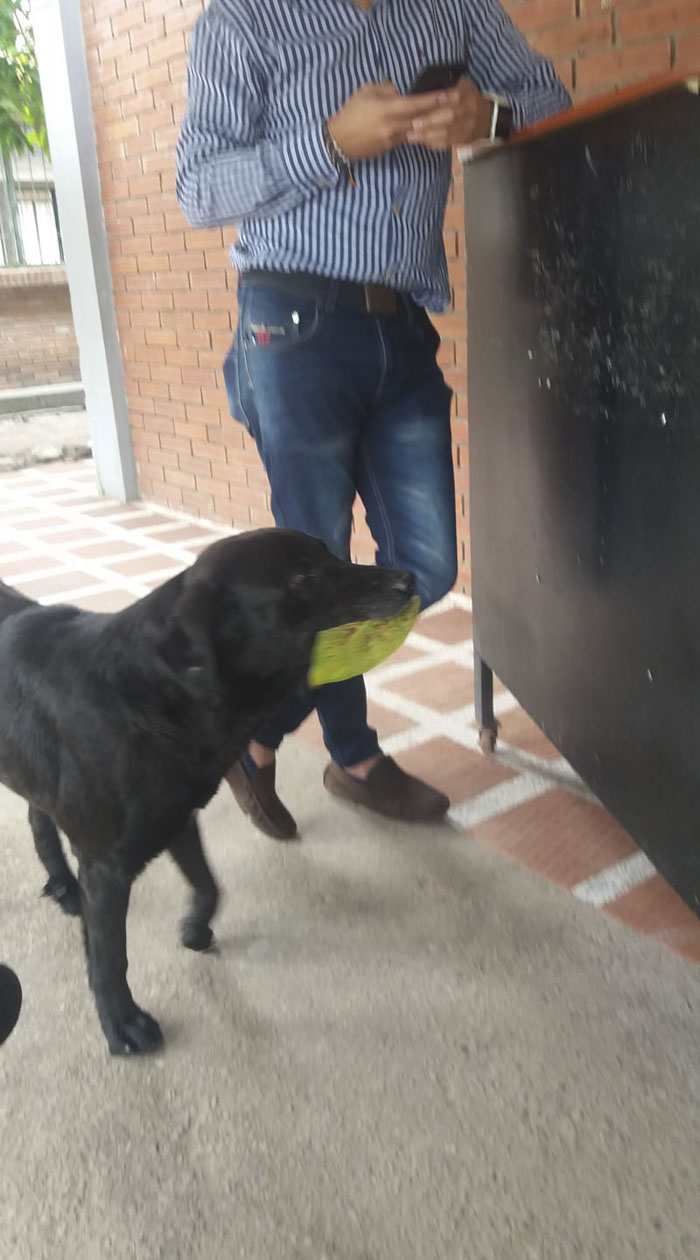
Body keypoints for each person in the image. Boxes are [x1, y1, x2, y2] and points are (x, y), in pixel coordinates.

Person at [176, 0, 570, 840]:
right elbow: (198, 186)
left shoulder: (451, 10)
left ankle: (253, 726)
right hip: (291, 320)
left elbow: (552, 102)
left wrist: (490, 114)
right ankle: (354, 755)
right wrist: (326, 144)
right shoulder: (244, 21)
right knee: (314, 570)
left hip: (403, 323)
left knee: (424, 566)